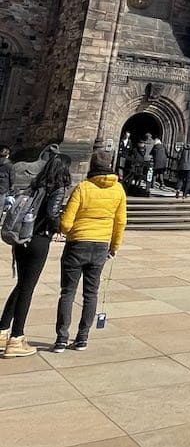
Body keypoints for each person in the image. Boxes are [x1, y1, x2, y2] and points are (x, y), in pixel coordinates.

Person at [51, 153, 127, 353]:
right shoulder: (118, 189)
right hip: (101, 245)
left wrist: (64, 230)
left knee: (67, 292)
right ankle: (82, 338)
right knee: (91, 293)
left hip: (77, 244)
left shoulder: (83, 187)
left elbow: (66, 222)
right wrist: (115, 246)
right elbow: (120, 222)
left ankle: (61, 339)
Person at [1, 152, 72, 358]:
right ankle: (16, 338)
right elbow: (51, 213)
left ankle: (2, 329)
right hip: (39, 240)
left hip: (22, 238)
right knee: (27, 289)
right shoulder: (58, 187)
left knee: (21, 285)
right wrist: (60, 228)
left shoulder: (36, 184)